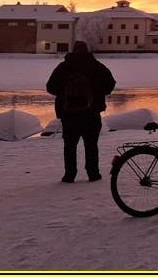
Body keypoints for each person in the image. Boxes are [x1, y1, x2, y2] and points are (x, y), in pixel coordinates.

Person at [46, 41, 116, 183]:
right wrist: (96, 91)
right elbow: (110, 85)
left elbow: (50, 88)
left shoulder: (63, 67)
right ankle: (93, 173)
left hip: (69, 114)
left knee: (70, 146)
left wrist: (64, 92)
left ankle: (69, 175)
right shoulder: (96, 66)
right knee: (91, 145)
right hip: (91, 113)